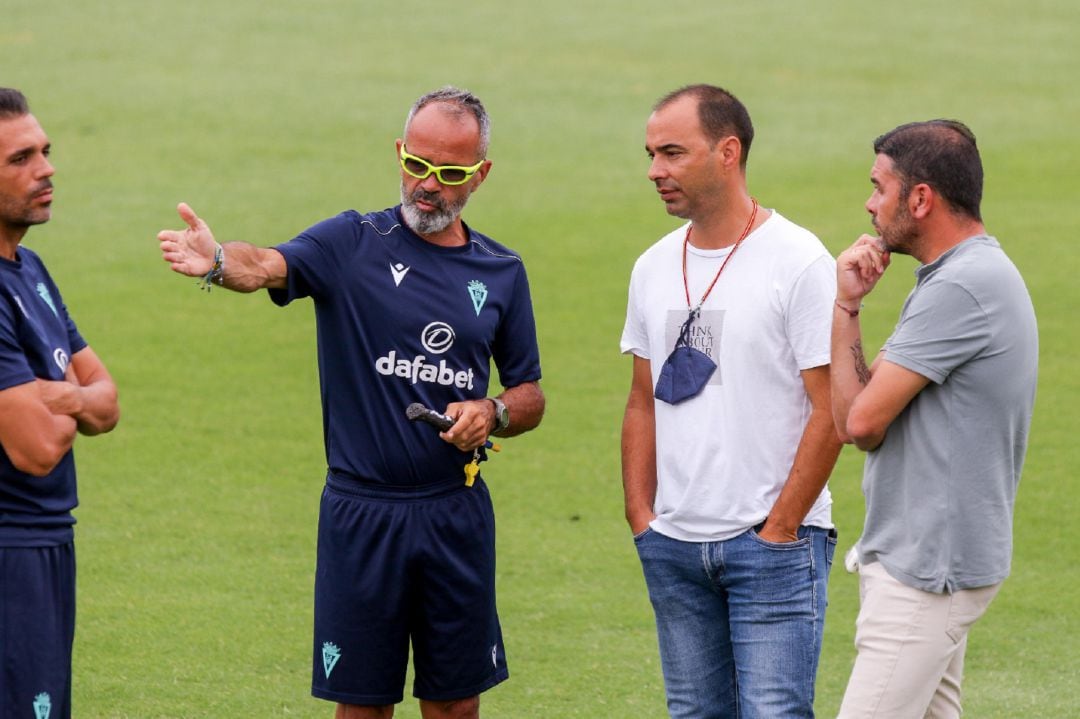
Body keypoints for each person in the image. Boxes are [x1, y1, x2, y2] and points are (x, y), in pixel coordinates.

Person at [157, 86, 544, 719]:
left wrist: (493, 412)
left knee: (455, 706)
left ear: (480, 174)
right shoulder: (351, 242)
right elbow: (266, 265)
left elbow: (529, 392)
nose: (428, 185)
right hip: (361, 514)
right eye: (416, 164)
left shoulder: (501, 270)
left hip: (455, 514)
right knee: (362, 708)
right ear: (399, 152)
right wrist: (220, 261)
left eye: (449, 174)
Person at [620, 84, 843, 718]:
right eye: (651, 154)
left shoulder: (799, 262)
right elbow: (641, 401)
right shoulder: (651, 267)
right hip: (673, 545)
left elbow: (831, 410)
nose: (655, 171)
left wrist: (781, 528)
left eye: (672, 153)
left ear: (728, 152)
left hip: (771, 546)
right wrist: (643, 517)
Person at [830, 120, 1037, 718]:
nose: (870, 204)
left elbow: (861, 424)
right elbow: (853, 416)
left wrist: (844, 306)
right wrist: (848, 306)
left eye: (879, 187)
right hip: (931, 562)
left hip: (926, 574)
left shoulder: (962, 287)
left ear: (920, 198)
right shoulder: (961, 277)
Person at [0, 88, 121, 719]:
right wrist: (79, 398)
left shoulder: (31, 270)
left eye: (44, 151)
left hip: (47, 541)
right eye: (21, 159)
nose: (46, 169)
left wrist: (56, 393)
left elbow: (108, 402)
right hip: (10, 548)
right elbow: (38, 448)